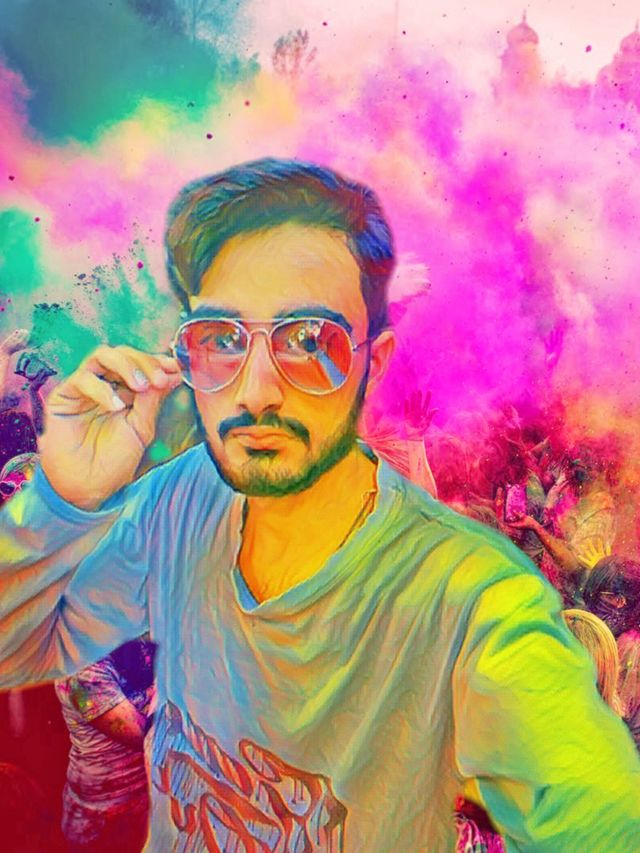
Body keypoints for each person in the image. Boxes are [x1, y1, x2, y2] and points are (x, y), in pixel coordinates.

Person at [1, 158, 640, 852]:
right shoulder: (177, 499)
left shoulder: (473, 605)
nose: (256, 391)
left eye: (309, 341)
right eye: (222, 338)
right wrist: (64, 500)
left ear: (373, 363)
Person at [55, 637, 156, 853]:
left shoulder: (137, 635)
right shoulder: (81, 672)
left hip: (144, 800)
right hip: (104, 818)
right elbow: (144, 736)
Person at [583, 556, 640, 752]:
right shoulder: (613, 630)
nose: (594, 602)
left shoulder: (630, 648)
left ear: (620, 600)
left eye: (602, 595)